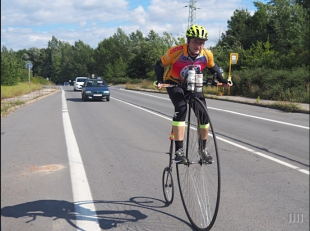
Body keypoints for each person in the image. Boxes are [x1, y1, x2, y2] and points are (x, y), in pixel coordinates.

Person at [154, 24, 232, 163]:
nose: (198, 45)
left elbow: (214, 68)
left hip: (194, 83)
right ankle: (179, 151)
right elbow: (159, 65)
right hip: (174, 83)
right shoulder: (176, 52)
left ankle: (202, 150)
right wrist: (160, 80)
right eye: (195, 41)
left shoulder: (206, 54)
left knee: (203, 115)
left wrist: (223, 80)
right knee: (182, 108)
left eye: (201, 43)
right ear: (188, 41)